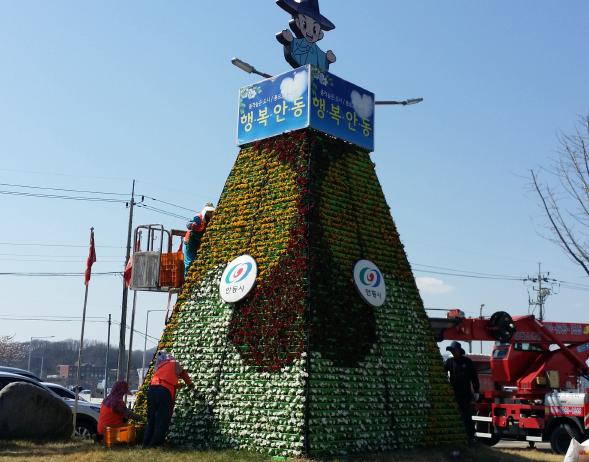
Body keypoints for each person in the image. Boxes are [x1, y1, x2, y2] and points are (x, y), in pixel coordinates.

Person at [143, 350, 193, 447]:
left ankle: (146, 443)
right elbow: (183, 373)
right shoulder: (173, 363)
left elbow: (163, 380)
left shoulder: (159, 366)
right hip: (164, 392)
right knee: (162, 418)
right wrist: (190, 384)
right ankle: (155, 444)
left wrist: (176, 385)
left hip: (152, 390)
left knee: (151, 418)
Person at [276, 0, 336, 72]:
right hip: (303, 68)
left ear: (320, 34)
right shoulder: (298, 43)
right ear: (297, 23)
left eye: (314, 29)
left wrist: (327, 59)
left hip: (315, 72)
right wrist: (288, 40)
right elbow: (291, 48)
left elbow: (321, 58)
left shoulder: (316, 50)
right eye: (304, 25)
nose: (310, 33)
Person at [444, 341, 480, 442]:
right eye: (451, 351)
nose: (453, 352)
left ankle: (471, 436)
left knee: (467, 416)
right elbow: (442, 372)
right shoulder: (449, 362)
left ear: (459, 351)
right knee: (454, 415)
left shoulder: (467, 361)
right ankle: (456, 436)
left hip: (465, 394)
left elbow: (474, 377)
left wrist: (476, 391)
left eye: (454, 350)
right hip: (454, 394)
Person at [183, 203, 215, 276]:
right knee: (189, 262)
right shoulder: (198, 217)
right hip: (190, 242)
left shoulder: (210, 220)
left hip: (198, 242)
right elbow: (188, 225)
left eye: (211, 212)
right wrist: (194, 225)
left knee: (198, 261)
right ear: (205, 211)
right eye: (209, 212)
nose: (210, 213)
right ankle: (187, 278)